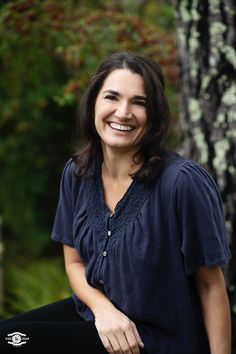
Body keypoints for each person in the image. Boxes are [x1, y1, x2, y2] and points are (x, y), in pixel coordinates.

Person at [0, 52, 232, 354]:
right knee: (7, 336)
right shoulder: (77, 173)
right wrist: (103, 310)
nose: (123, 112)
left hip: (157, 339)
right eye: (112, 97)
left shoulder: (182, 182)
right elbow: (74, 263)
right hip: (98, 318)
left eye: (139, 102)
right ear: (93, 103)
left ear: (155, 114)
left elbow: (211, 285)